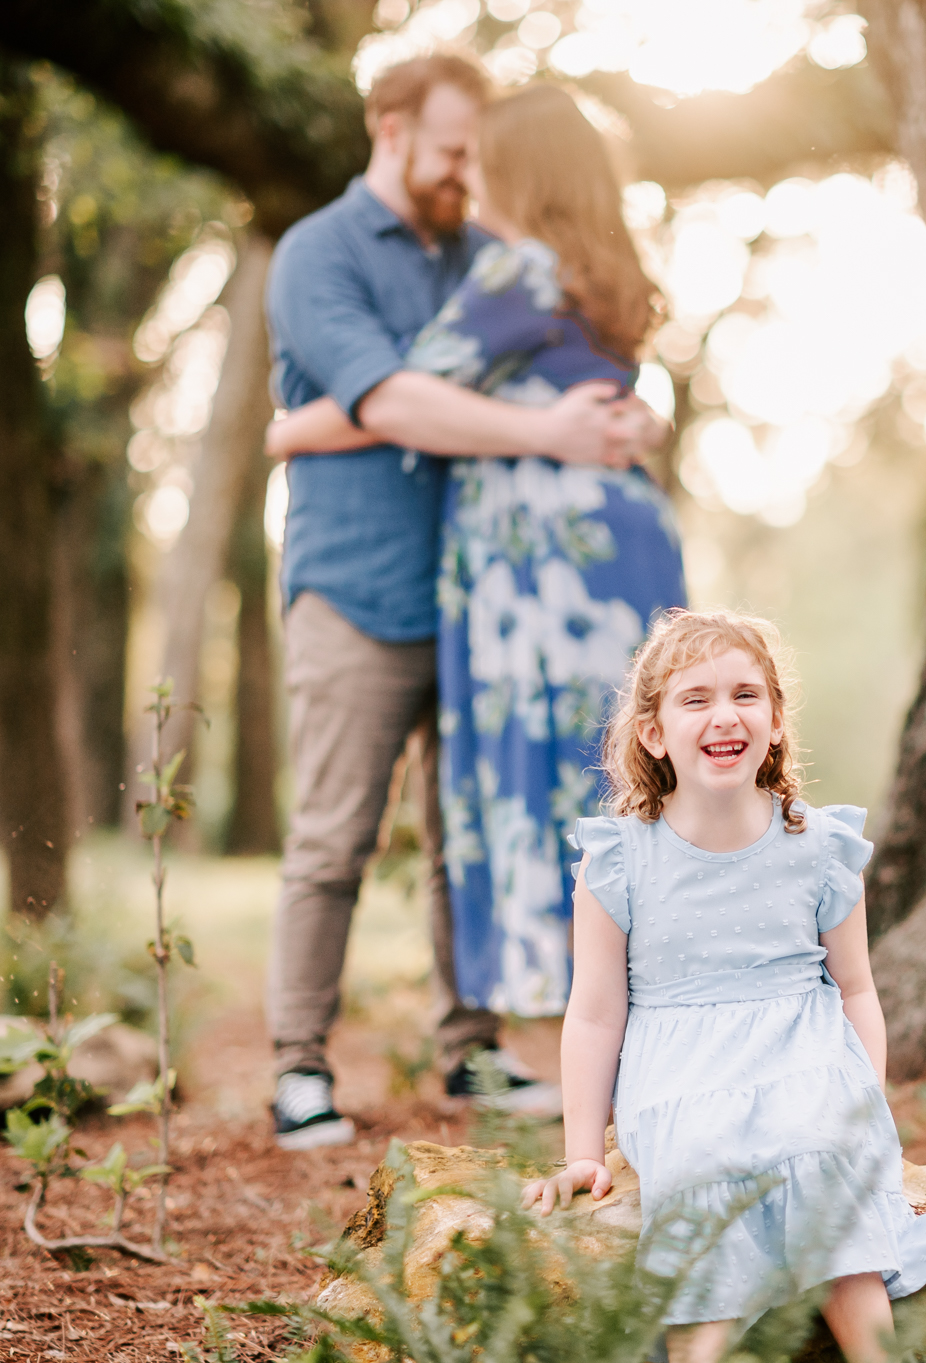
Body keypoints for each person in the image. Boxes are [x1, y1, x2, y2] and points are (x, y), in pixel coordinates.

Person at [267, 86, 685, 1107]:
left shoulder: (489, 253)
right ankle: (297, 1063)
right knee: (337, 832)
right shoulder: (321, 250)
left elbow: (468, 386)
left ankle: (473, 1045)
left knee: (472, 817)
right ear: (390, 126)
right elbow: (400, 396)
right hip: (365, 583)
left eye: (479, 154)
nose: (464, 172)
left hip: (497, 589)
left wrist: (292, 428)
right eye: (452, 151)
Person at [518, 610, 926, 1363]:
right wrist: (583, 1150)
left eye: (746, 695)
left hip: (802, 1044)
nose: (725, 714)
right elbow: (594, 1014)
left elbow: (854, 987)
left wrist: (865, 1098)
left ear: (778, 721)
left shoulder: (819, 848)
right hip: (683, 1063)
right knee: (702, 1165)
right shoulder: (620, 861)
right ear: (654, 732)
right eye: (696, 699)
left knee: (824, 1154)